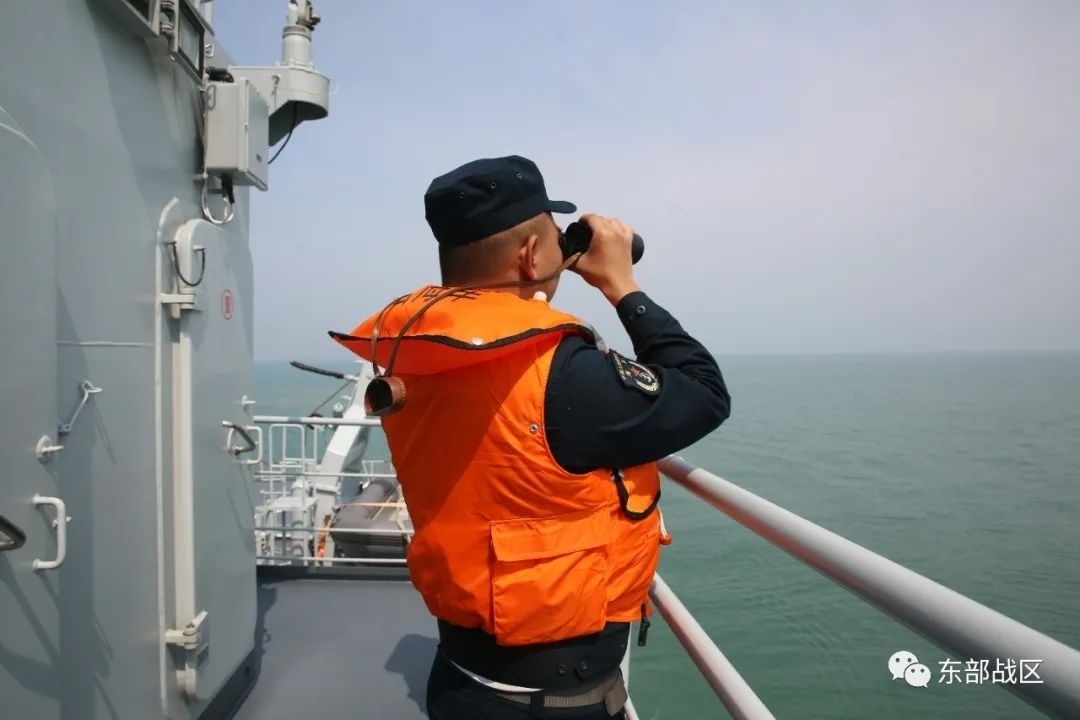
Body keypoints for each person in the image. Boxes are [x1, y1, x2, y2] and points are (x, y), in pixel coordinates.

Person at [330, 155, 730, 719]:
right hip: (551, 701)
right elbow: (705, 394)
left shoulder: (414, 348)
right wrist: (622, 286)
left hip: (461, 677)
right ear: (531, 254)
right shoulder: (559, 372)